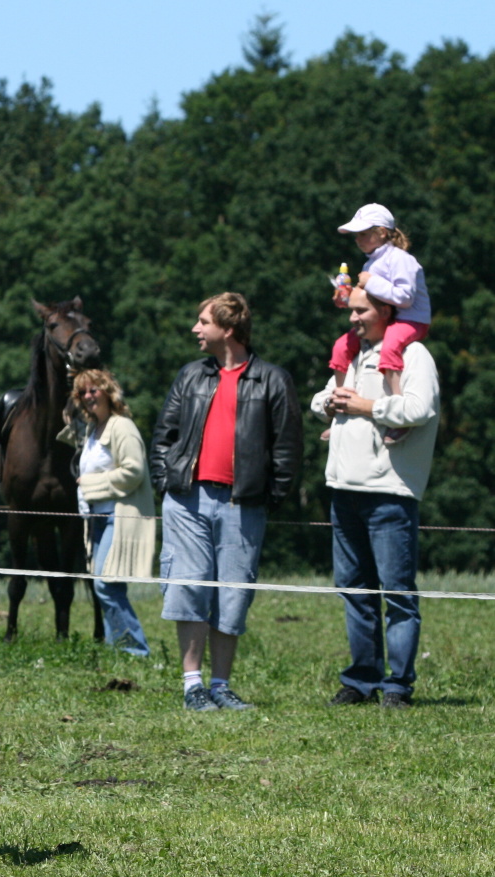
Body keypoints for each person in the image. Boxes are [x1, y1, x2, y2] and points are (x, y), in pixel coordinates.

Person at [150, 293, 302, 711]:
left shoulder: (272, 379)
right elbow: (164, 436)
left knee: (232, 594)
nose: (195, 329)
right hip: (188, 501)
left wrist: (267, 498)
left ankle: (221, 685)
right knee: (190, 587)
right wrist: (167, 482)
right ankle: (192, 685)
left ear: (228, 329)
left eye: (203, 321)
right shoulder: (190, 375)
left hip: (243, 504)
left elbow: (287, 448)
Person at [312, 287, 439, 709]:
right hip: (343, 488)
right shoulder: (351, 353)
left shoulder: (414, 355)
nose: (353, 319)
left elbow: (420, 409)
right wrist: (331, 400)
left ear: (386, 309)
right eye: (351, 311)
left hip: (389, 491)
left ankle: (398, 686)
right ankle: (362, 680)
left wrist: (365, 405)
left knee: (397, 592)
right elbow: (321, 398)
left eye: (361, 310)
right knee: (354, 589)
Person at [59, 369, 153, 657]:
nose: (88, 397)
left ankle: (136, 650)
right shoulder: (91, 430)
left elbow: (133, 471)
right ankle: (118, 651)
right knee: (107, 586)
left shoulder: (122, 427)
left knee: (105, 585)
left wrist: (89, 485)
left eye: (93, 390)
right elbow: (64, 434)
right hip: (97, 520)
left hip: (118, 517)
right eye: (82, 393)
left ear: (108, 392)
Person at [328, 203, 430, 445]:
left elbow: (405, 298)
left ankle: (399, 411)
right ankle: (341, 402)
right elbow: (372, 299)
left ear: (382, 233)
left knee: (390, 346)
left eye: (364, 233)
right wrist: (347, 297)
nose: (358, 239)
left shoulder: (402, 259)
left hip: (411, 320)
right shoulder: (370, 264)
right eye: (357, 235)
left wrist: (370, 282)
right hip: (387, 320)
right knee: (341, 346)